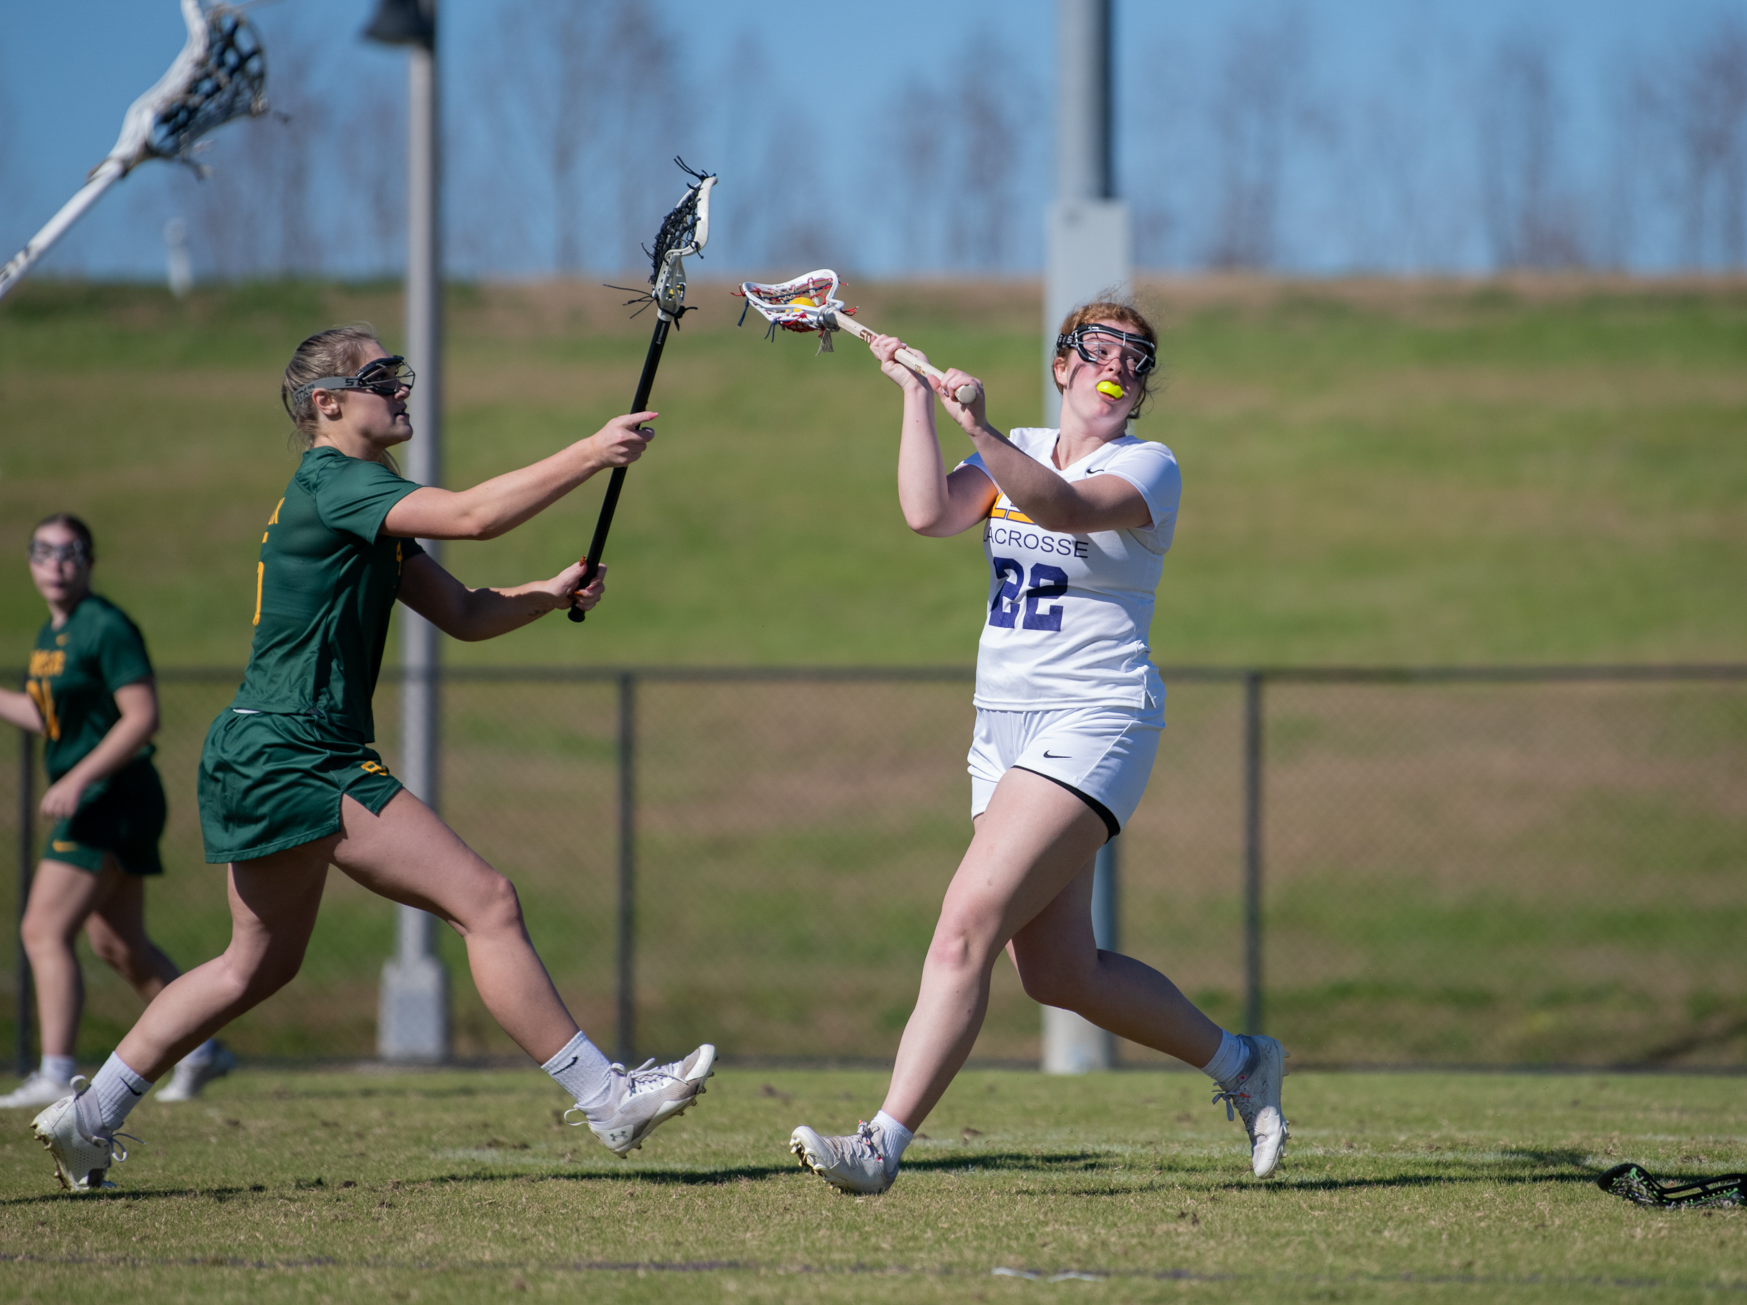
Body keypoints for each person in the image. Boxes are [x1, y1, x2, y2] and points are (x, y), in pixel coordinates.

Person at [30, 324, 715, 1192]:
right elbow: (473, 517)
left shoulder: (366, 500)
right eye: (382, 376)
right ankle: (605, 1096)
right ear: (329, 405)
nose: (402, 388)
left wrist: (545, 595)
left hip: (271, 747)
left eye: (399, 373)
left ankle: (88, 1118)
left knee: (257, 965)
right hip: (295, 749)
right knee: (487, 901)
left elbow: (462, 612)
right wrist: (591, 450)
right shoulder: (336, 482)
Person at [787, 300, 1289, 1195]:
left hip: (1095, 718)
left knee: (964, 924)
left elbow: (1059, 506)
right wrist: (913, 397)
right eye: (1099, 349)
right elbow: (928, 514)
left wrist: (975, 424)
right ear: (1062, 367)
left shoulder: (1149, 465)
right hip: (1002, 729)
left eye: (1138, 359)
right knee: (1061, 973)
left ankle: (880, 1144)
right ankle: (1242, 1063)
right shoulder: (1010, 446)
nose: (1119, 367)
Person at [0, 516, 231, 1111]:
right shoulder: (55, 635)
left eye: (70, 552)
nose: (56, 563)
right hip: (104, 798)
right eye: (43, 552)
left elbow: (141, 716)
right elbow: (49, 716)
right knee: (120, 947)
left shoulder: (104, 626)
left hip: (112, 798)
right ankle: (202, 1049)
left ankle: (55, 1071)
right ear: (30, 561)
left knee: (43, 929)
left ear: (90, 561)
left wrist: (79, 776)